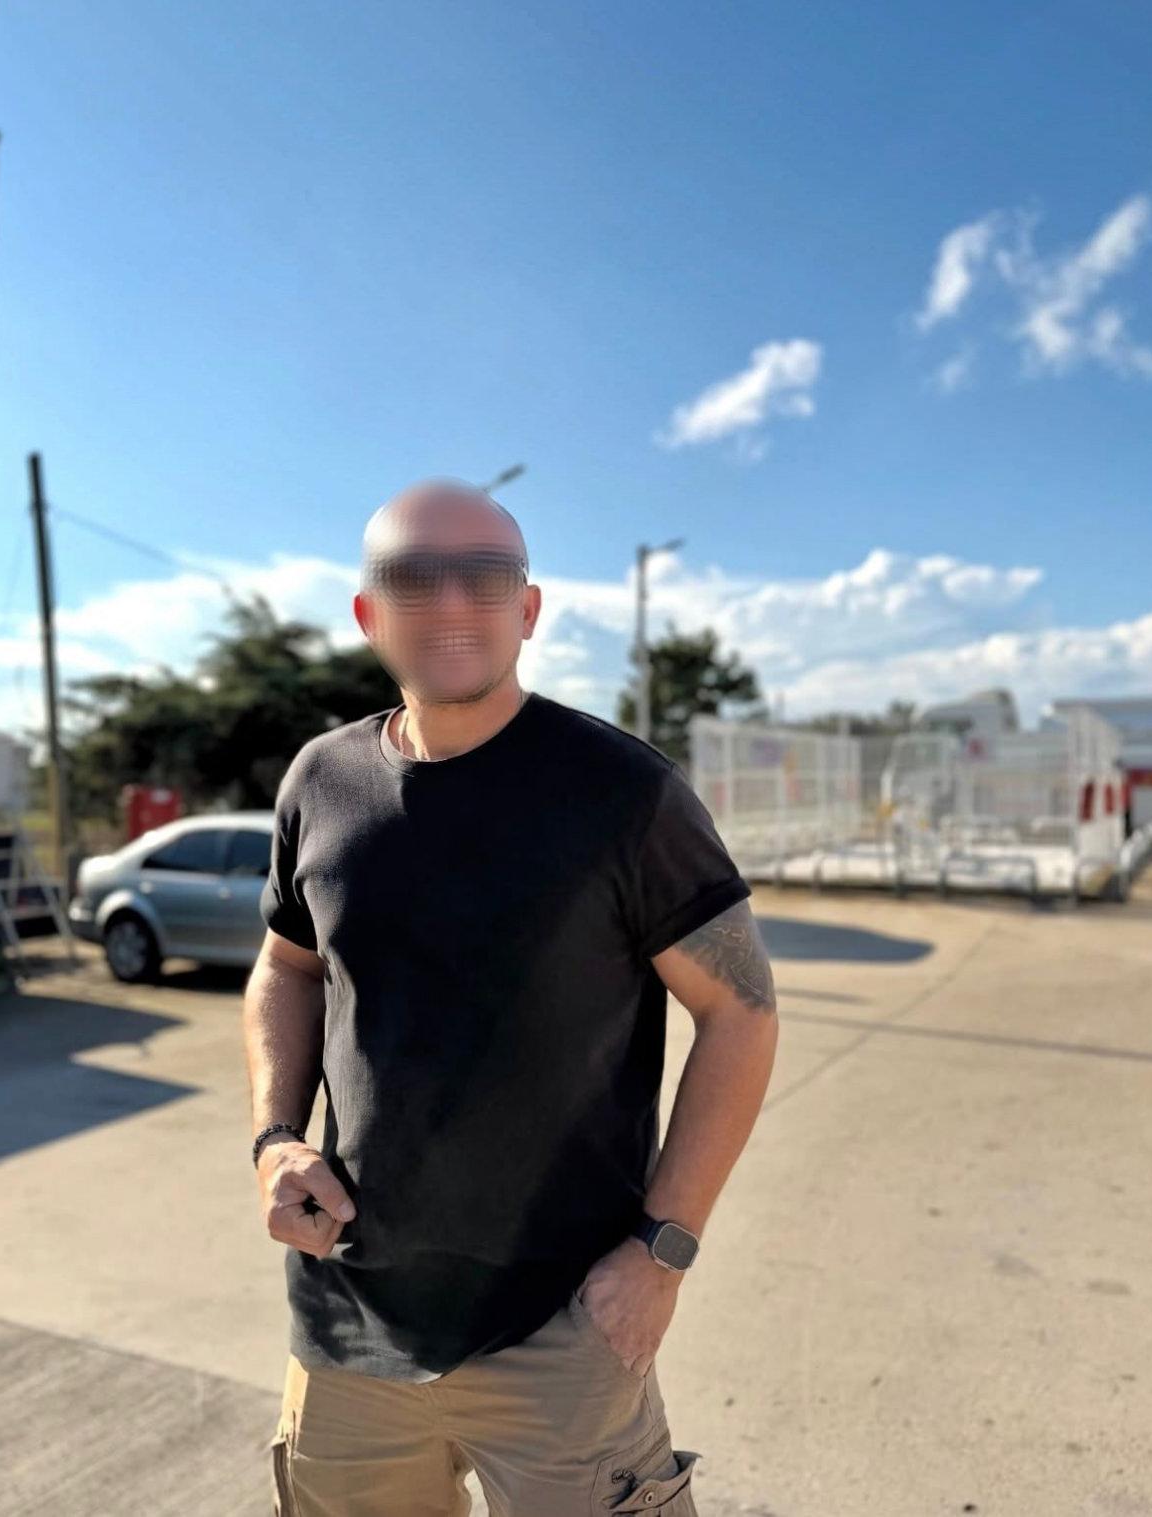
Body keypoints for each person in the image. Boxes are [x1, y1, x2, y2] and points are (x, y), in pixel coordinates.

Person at [243, 477, 778, 1516]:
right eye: (413, 576)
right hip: (348, 1325)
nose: (450, 601)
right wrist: (274, 1138)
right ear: (368, 612)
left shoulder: (623, 792)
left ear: (526, 609)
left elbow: (741, 1012)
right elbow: (288, 966)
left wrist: (662, 1252)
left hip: (561, 1327)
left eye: (483, 576)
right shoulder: (322, 780)